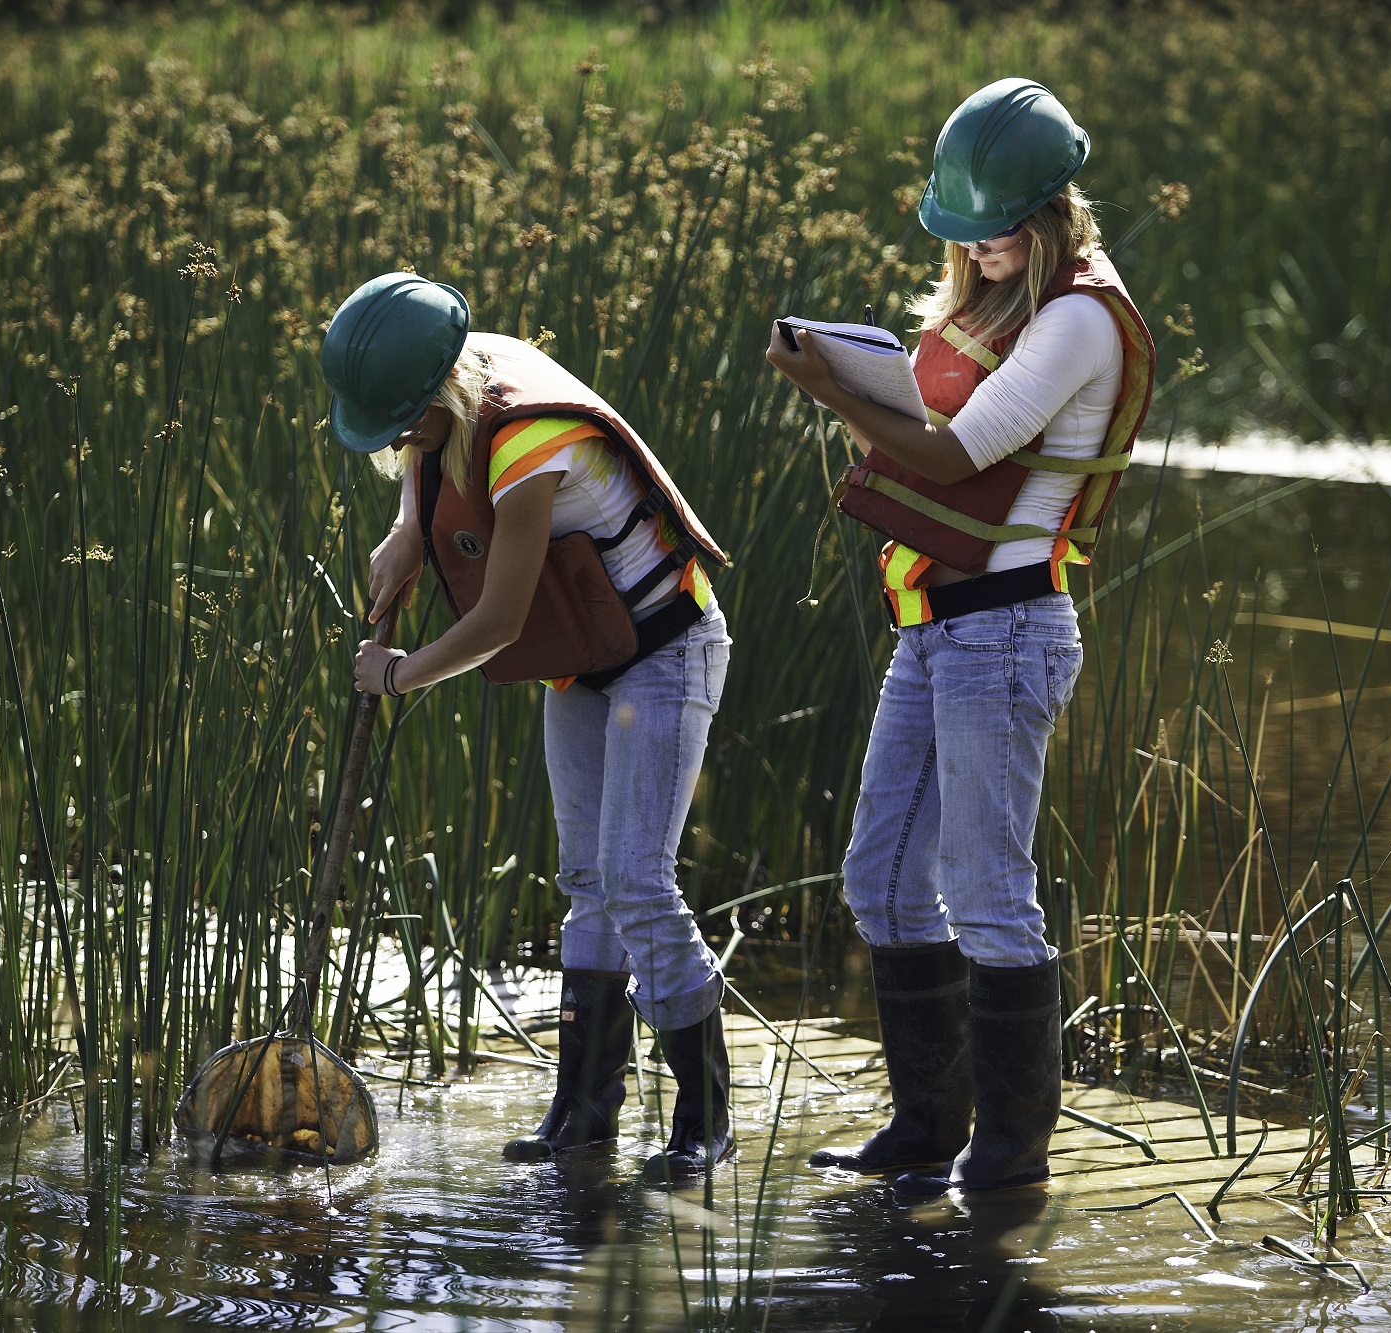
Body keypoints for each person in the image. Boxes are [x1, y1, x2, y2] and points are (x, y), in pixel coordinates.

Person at [765, 79, 1155, 1192]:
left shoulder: (1078, 316)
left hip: (1009, 629)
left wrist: (828, 389)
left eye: (994, 231)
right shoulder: (993, 301)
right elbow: (939, 423)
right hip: (933, 628)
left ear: (1047, 212)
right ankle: (925, 1129)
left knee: (987, 890)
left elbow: (951, 459)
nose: (975, 248)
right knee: (880, 876)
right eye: (960, 231)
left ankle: (1010, 1154)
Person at [318, 273, 737, 1185]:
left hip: (665, 649)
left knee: (636, 879)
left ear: (435, 397)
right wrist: (406, 528)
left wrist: (399, 673)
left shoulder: (530, 442)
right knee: (587, 880)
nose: (394, 442)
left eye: (400, 425)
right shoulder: (451, 377)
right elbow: (434, 464)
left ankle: (707, 1114)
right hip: (582, 655)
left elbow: (501, 620)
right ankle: (583, 1112)